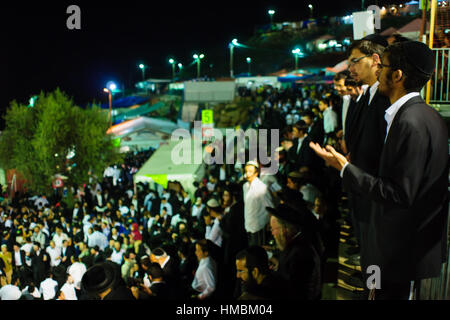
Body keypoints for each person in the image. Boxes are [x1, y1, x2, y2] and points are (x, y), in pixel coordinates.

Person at [310, 41, 448, 300]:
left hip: (395, 250)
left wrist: (345, 168)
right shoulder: (422, 115)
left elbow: (399, 193)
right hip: (392, 246)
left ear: (397, 75)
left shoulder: (410, 122)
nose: (377, 72)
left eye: (382, 66)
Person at [267, 204, 322, 300]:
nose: (272, 233)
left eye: (273, 229)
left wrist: (265, 276)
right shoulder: (298, 243)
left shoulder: (300, 253)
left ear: (285, 229)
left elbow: (291, 290)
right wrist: (278, 266)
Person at [242, 161, 274, 246]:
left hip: (259, 226)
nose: (248, 174)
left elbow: (270, 206)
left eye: (250, 171)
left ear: (256, 173)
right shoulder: (245, 186)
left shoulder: (261, 187)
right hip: (248, 225)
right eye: (246, 171)